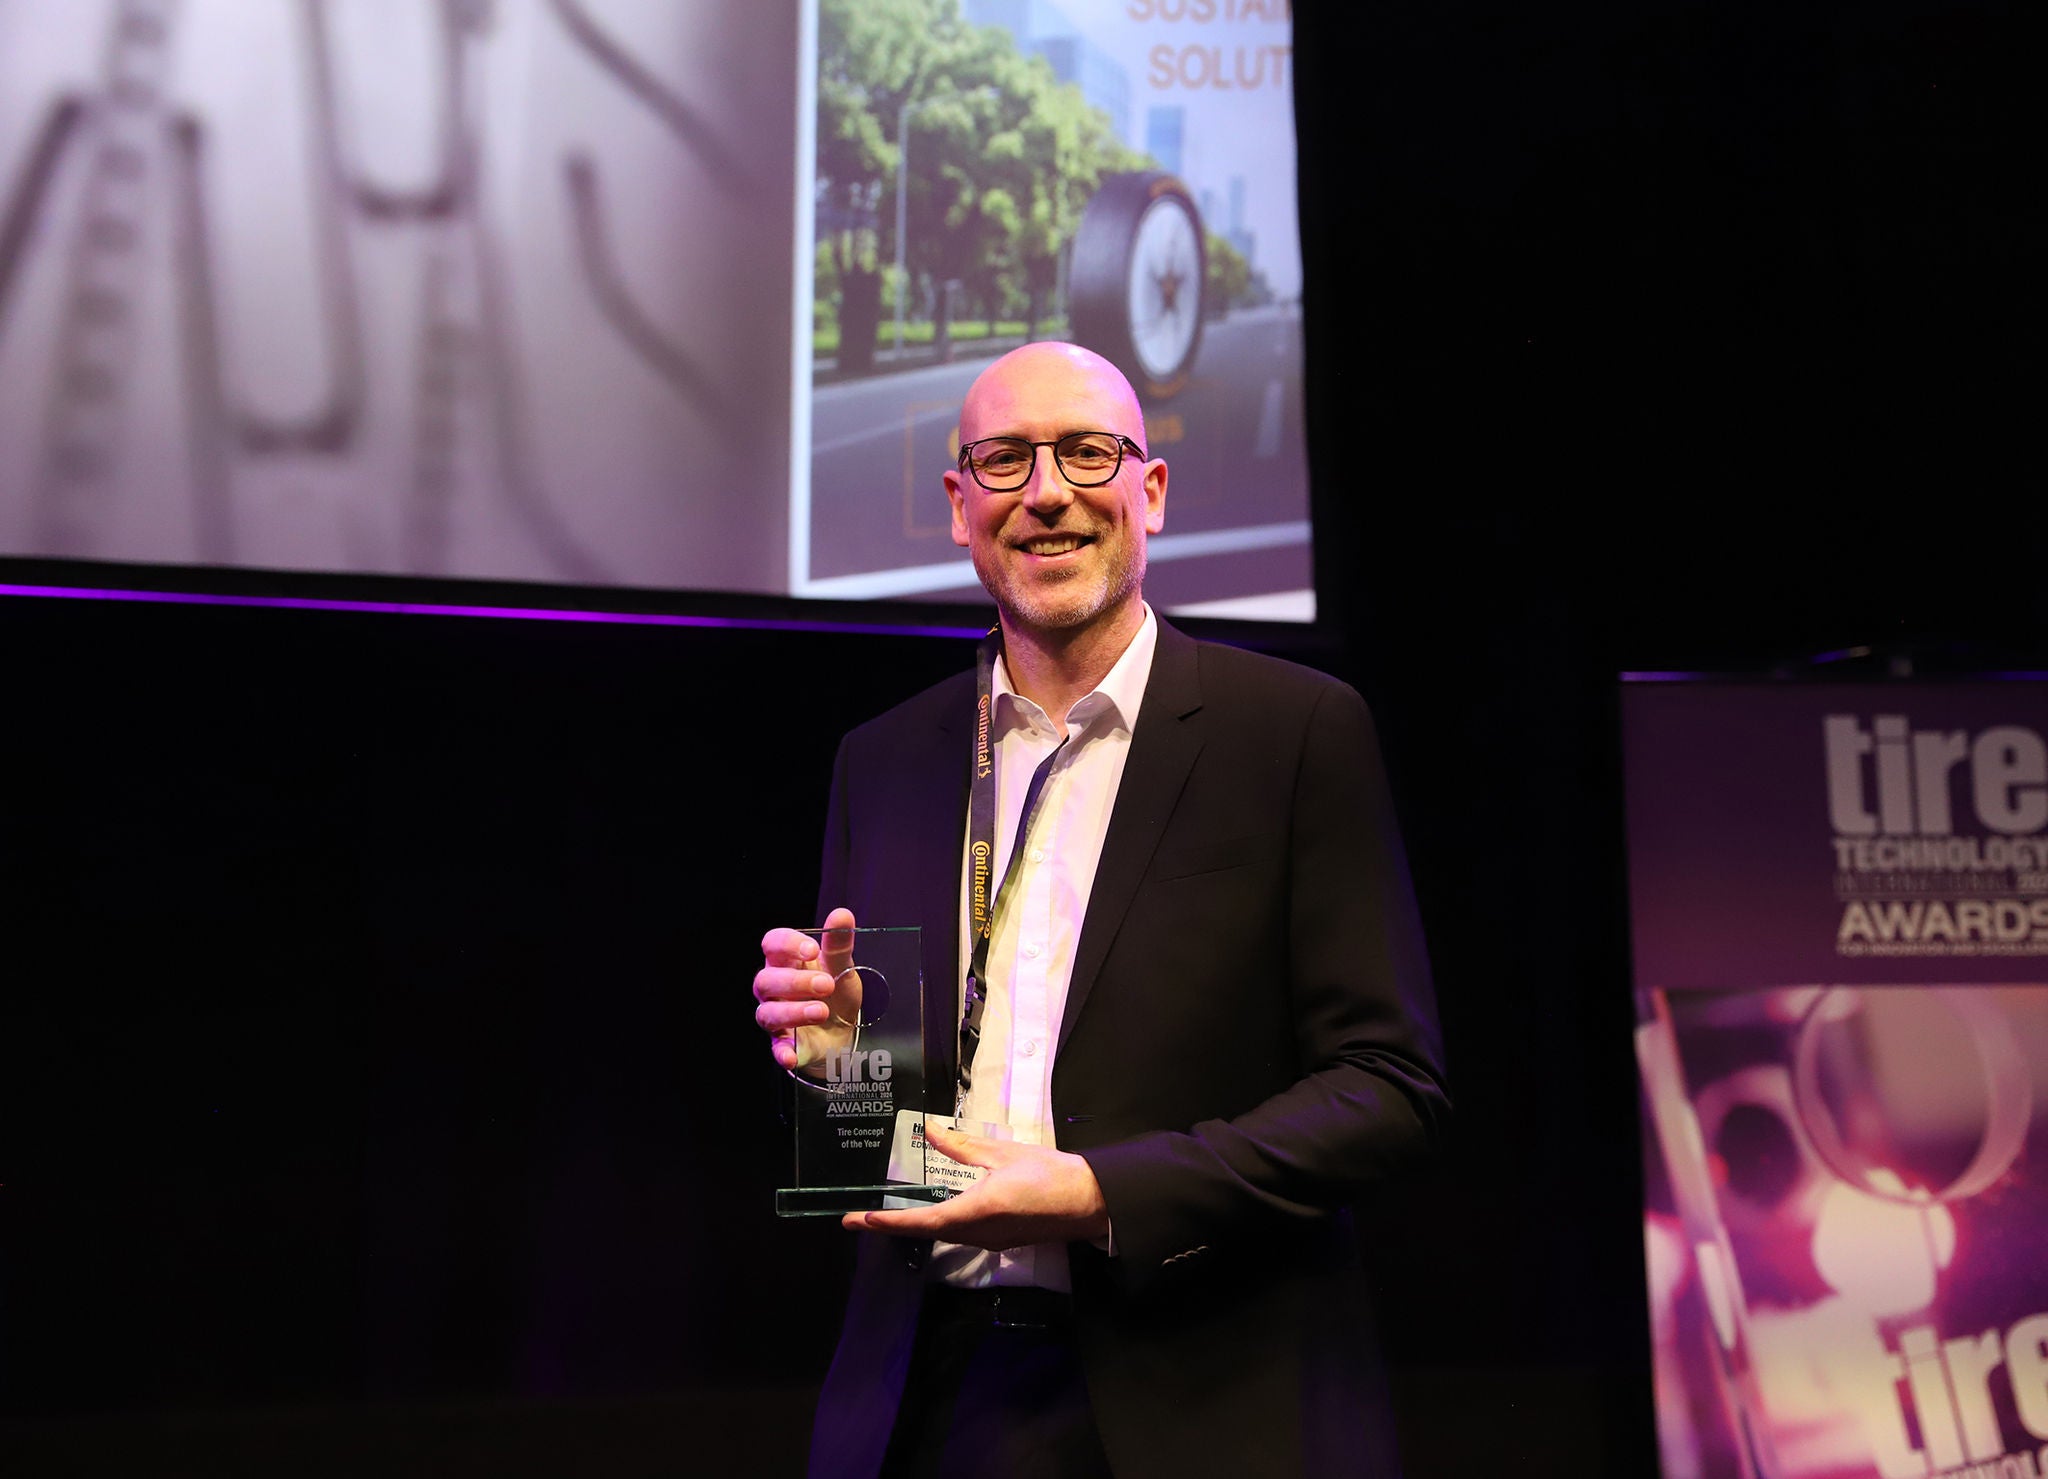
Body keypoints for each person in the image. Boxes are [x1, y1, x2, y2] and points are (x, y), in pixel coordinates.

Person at [752, 342, 1447, 1479]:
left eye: (1085, 452)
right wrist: (834, 1070)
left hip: (1204, 1396)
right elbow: (871, 1151)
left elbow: (1388, 1089)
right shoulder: (881, 760)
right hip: (928, 1400)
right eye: (1004, 459)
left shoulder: (1292, 734)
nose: (1047, 492)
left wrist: (1093, 1193)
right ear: (956, 504)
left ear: (1150, 491)